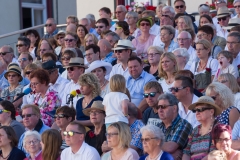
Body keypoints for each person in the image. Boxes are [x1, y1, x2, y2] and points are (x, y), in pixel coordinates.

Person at [157, 93, 193, 159]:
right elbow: (146, 148)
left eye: (163, 107)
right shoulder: (158, 126)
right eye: (158, 107)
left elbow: (170, 147)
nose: (160, 110)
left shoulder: (184, 124)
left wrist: (153, 144)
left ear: (174, 108)